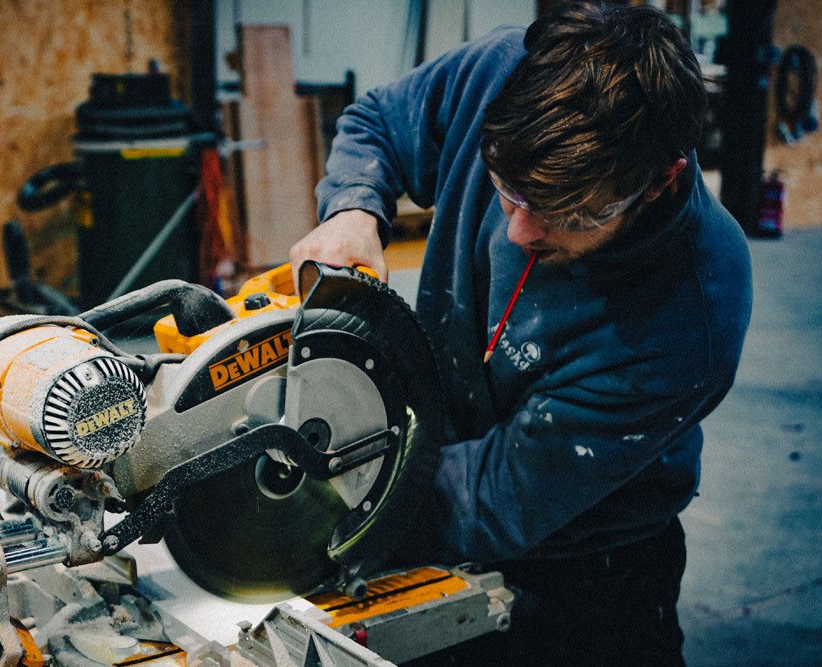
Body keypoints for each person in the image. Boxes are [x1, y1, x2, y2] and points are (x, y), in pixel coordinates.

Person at [290, 2, 752, 665]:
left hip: (584, 579)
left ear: (660, 182)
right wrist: (355, 208)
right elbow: (379, 123)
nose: (519, 232)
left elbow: (492, 494)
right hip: (429, 477)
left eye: (569, 212)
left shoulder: (690, 313)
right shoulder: (501, 73)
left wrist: (300, 514)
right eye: (509, 190)